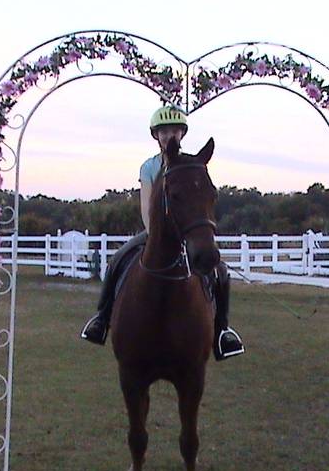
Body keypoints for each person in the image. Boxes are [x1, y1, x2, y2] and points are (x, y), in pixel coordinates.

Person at [80, 105, 245, 361]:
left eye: (175, 131)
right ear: (155, 135)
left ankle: (222, 331)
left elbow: (199, 200)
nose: (170, 136)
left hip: (185, 234)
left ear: (182, 134)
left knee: (220, 270)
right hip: (154, 233)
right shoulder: (149, 167)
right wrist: (153, 232)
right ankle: (101, 319)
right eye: (164, 131)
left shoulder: (192, 164)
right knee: (117, 259)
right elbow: (146, 204)